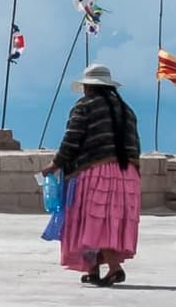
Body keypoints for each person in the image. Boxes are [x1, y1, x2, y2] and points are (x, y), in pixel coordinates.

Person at [53, 64, 141, 286]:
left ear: (88, 87)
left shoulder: (85, 106)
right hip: (126, 174)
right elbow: (135, 145)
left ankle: (114, 267)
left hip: (96, 172)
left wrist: (55, 164)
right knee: (109, 221)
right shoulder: (126, 109)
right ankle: (92, 269)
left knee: (92, 221)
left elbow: (72, 140)